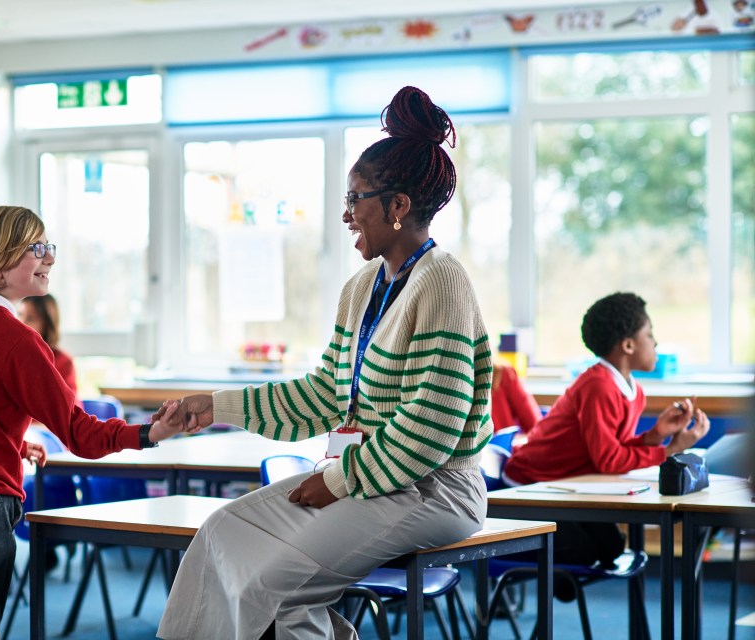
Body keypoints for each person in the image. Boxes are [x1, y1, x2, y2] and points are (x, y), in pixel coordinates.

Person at [156, 86, 494, 640]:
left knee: (275, 587)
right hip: (373, 478)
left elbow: (434, 424)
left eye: (356, 198)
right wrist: (213, 406)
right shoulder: (362, 285)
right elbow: (322, 394)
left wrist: (339, 480)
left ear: (398, 205)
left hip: (434, 489)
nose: (346, 214)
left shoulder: (443, 280)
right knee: (223, 534)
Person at [0, 205, 184, 639]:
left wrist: (13, 442)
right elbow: (79, 433)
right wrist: (149, 432)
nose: (50, 258)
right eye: (36, 248)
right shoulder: (19, 340)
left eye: (49, 247)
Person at [503, 292, 710, 574]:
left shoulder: (633, 390)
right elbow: (608, 461)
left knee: (612, 547)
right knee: (586, 551)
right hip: (528, 488)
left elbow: (616, 448)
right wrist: (669, 451)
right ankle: (550, 587)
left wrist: (657, 435)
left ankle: (559, 582)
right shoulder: (598, 386)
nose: (656, 342)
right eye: (649, 334)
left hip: (563, 485)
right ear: (627, 345)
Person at [20, 293, 79, 398]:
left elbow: (68, 408)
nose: (21, 323)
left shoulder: (63, 361)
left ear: (47, 324)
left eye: (31, 318)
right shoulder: (13, 355)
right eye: (19, 314)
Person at [491, 359, 542, 434]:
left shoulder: (504, 373)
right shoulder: (503, 372)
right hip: (503, 443)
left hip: (503, 443)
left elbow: (533, 424)